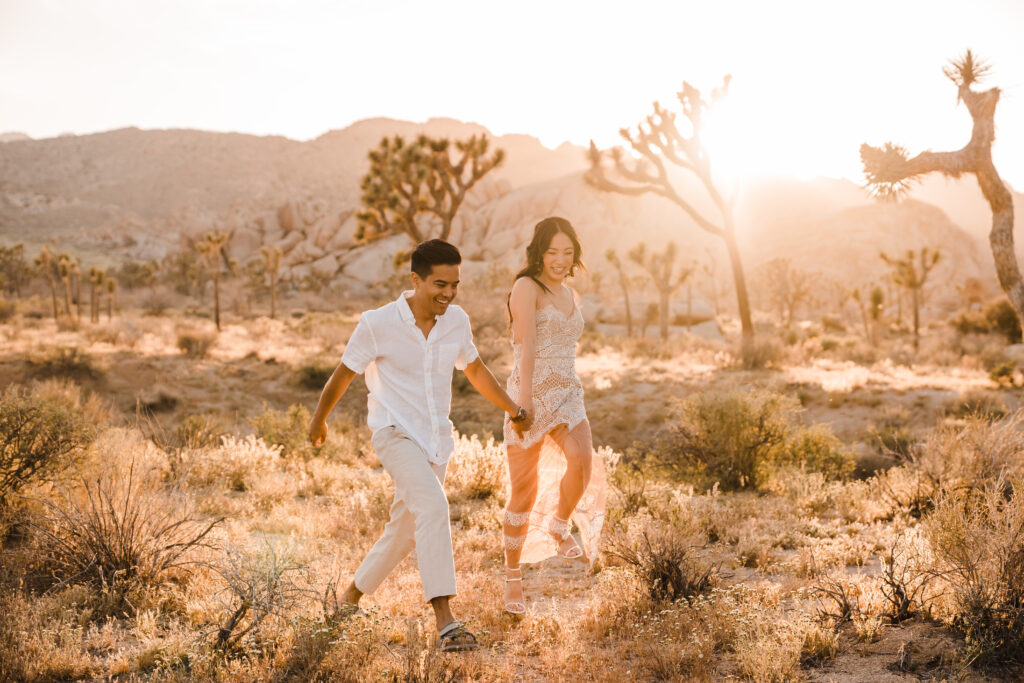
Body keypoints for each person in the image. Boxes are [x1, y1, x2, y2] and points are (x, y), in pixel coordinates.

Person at [308, 239, 532, 651]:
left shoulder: (456, 321)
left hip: (435, 439)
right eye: (440, 284)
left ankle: (349, 600)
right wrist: (319, 419)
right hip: (393, 432)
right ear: (416, 279)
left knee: (404, 530)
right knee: (434, 507)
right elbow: (343, 374)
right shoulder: (377, 323)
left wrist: (514, 409)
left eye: (455, 285)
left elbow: (476, 370)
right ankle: (446, 622)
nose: (448, 293)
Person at [501, 217, 606, 615]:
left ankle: (559, 524)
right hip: (530, 391)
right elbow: (525, 347)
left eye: (567, 252)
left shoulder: (571, 294)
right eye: (552, 252)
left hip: (567, 392)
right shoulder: (525, 287)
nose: (561, 260)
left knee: (582, 460)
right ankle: (513, 581)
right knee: (522, 496)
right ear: (539, 253)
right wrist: (522, 405)